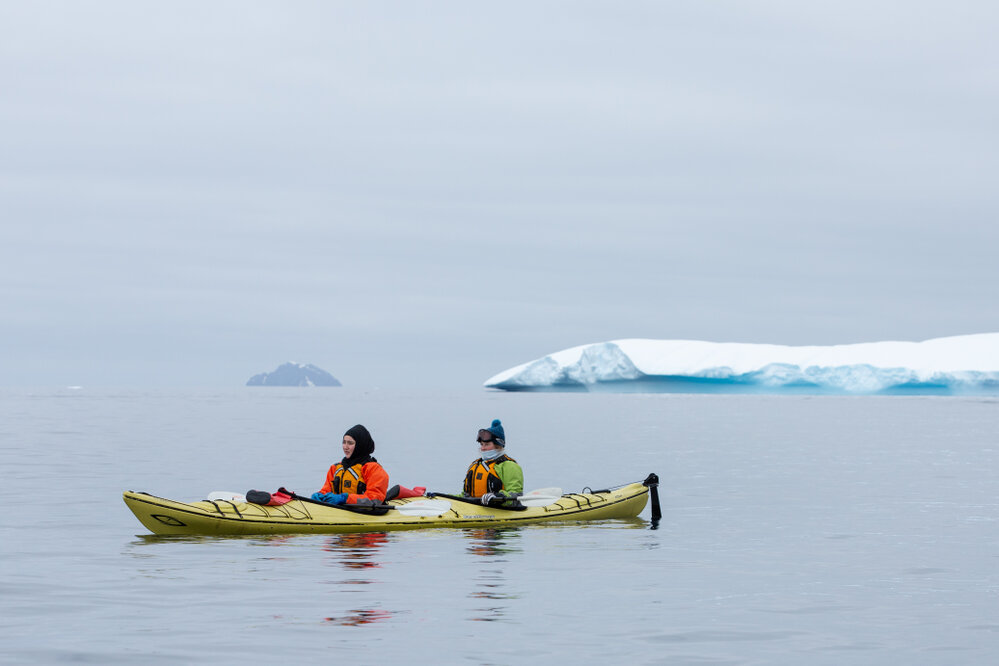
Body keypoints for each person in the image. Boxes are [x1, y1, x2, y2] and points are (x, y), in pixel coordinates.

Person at [311, 424, 389, 506]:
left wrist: (346, 499)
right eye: (344, 442)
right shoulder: (335, 468)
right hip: (340, 511)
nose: (345, 447)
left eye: (350, 443)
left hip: (364, 513)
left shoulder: (374, 469)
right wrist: (320, 495)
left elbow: (375, 500)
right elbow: (326, 490)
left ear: (360, 445)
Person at [463, 419, 523, 505]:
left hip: (501, 510)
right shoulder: (475, 465)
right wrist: (443, 498)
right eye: (482, 445)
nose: (483, 448)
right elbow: (464, 496)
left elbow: (516, 495)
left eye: (487, 445)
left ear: (498, 446)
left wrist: (496, 497)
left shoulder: (509, 466)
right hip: (475, 509)